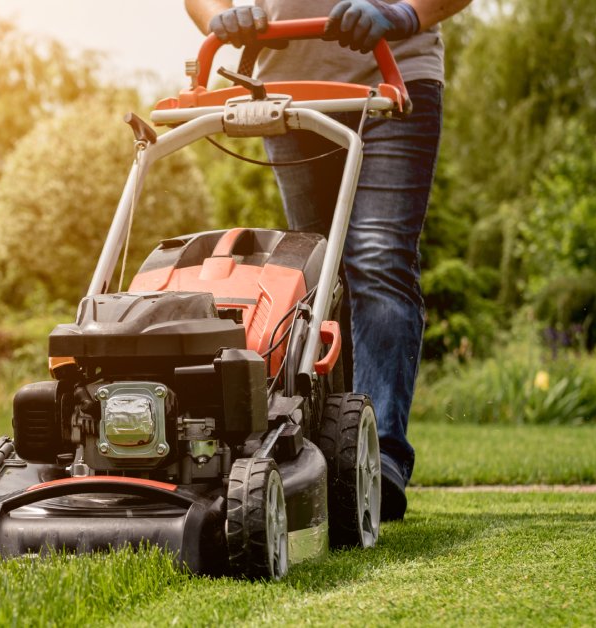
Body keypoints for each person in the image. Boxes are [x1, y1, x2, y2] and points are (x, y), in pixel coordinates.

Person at [184, 0, 471, 520]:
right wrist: (218, 19)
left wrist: (405, 14)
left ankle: (379, 456)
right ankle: (324, 450)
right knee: (316, 276)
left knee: (378, 258)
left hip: (391, 74)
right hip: (285, 94)